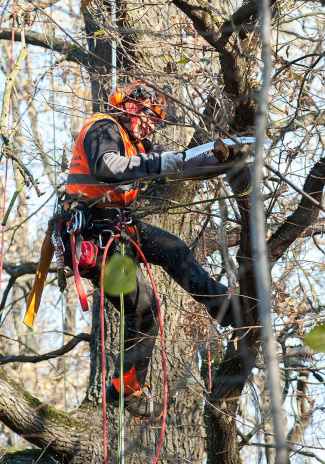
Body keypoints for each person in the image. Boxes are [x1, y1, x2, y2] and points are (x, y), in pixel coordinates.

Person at [61, 80, 234, 421]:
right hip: (92, 232)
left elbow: (179, 166)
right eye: (149, 116)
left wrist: (219, 160)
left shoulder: (137, 144)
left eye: (157, 121)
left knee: (176, 251)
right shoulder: (103, 127)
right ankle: (126, 388)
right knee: (143, 309)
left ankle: (228, 309)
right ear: (130, 106)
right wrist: (157, 164)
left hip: (119, 226)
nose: (151, 125)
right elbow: (106, 167)